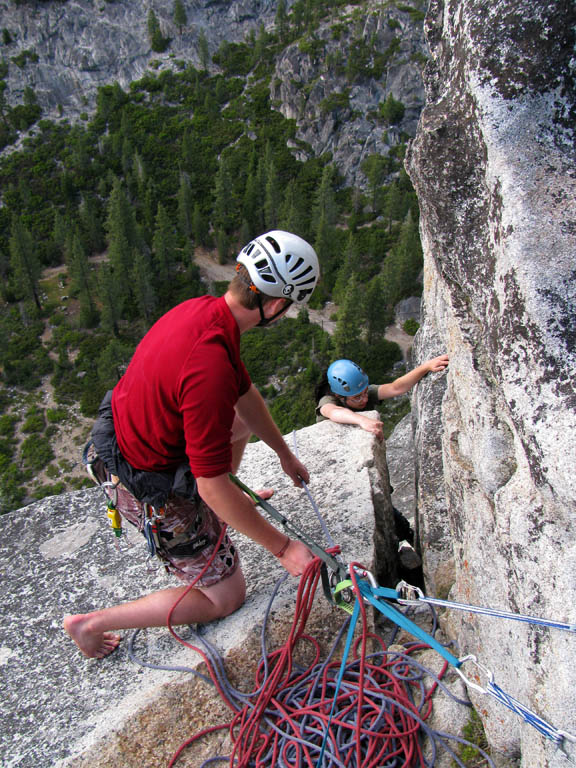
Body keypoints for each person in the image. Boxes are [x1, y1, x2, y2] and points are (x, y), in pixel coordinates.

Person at [64, 230, 320, 659]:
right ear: (276, 305)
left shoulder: (206, 312)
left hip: (129, 441)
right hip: (142, 484)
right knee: (227, 596)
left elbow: (245, 396)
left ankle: (221, 517)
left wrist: (283, 452)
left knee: (236, 422)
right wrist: (284, 548)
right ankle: (90, 623)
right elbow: (210, 485)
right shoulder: (211, 363)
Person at [315, 355, 449, 441]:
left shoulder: (361, 394)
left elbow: (395, 388)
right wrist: (362, 421)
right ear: (339, 396)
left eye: (366, 392)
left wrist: (426, 367)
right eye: (357, 397)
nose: (365, 399)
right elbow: (333, 412)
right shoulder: (328, 401)